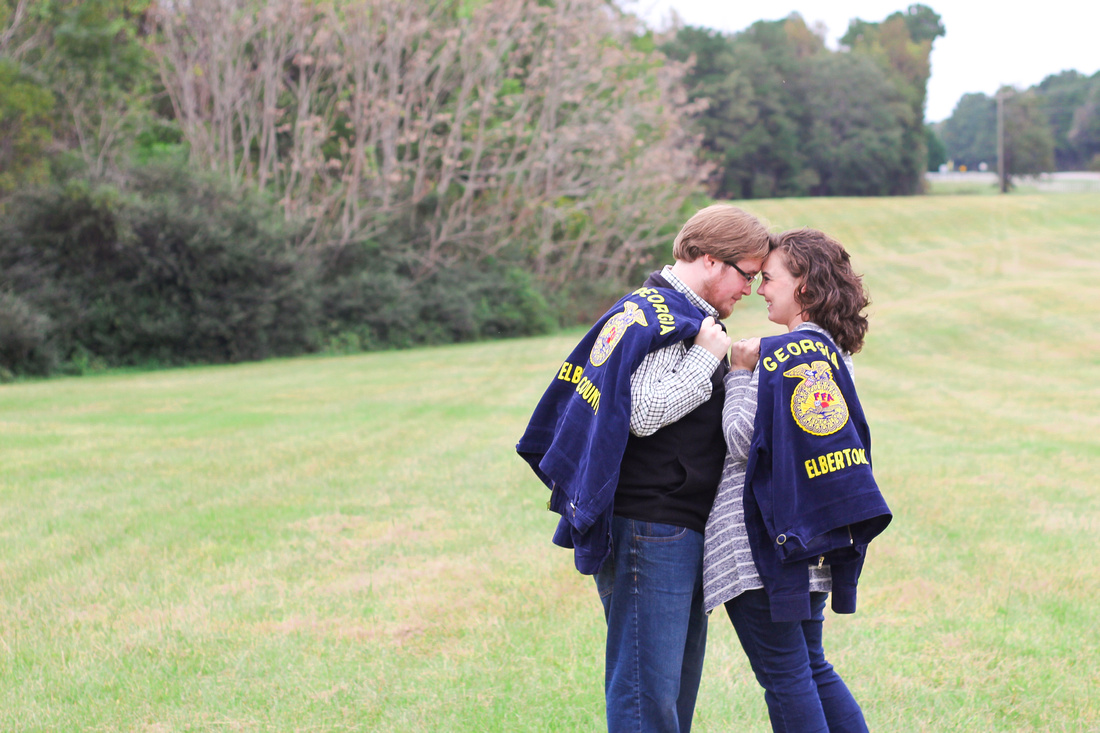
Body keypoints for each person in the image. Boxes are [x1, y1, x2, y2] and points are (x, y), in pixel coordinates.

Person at [517, 204, 771, 732]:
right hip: (650, 525)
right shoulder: (671, 322)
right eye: (747, 274)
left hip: (671, 523)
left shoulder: (653, 310)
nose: (750, 289)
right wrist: (706, 357)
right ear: (708, 259)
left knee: (671, 693)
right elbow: (643, 412)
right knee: (646, 696)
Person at [702, 228, 892, 733]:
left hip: (763, 542)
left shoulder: (786, 355)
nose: (760, 289)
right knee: (810, 665)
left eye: (769, 279)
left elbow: (745, 440)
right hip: (808, 539)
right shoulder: (830, 352)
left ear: (803, 285)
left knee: (786, 676)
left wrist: (740, 371)